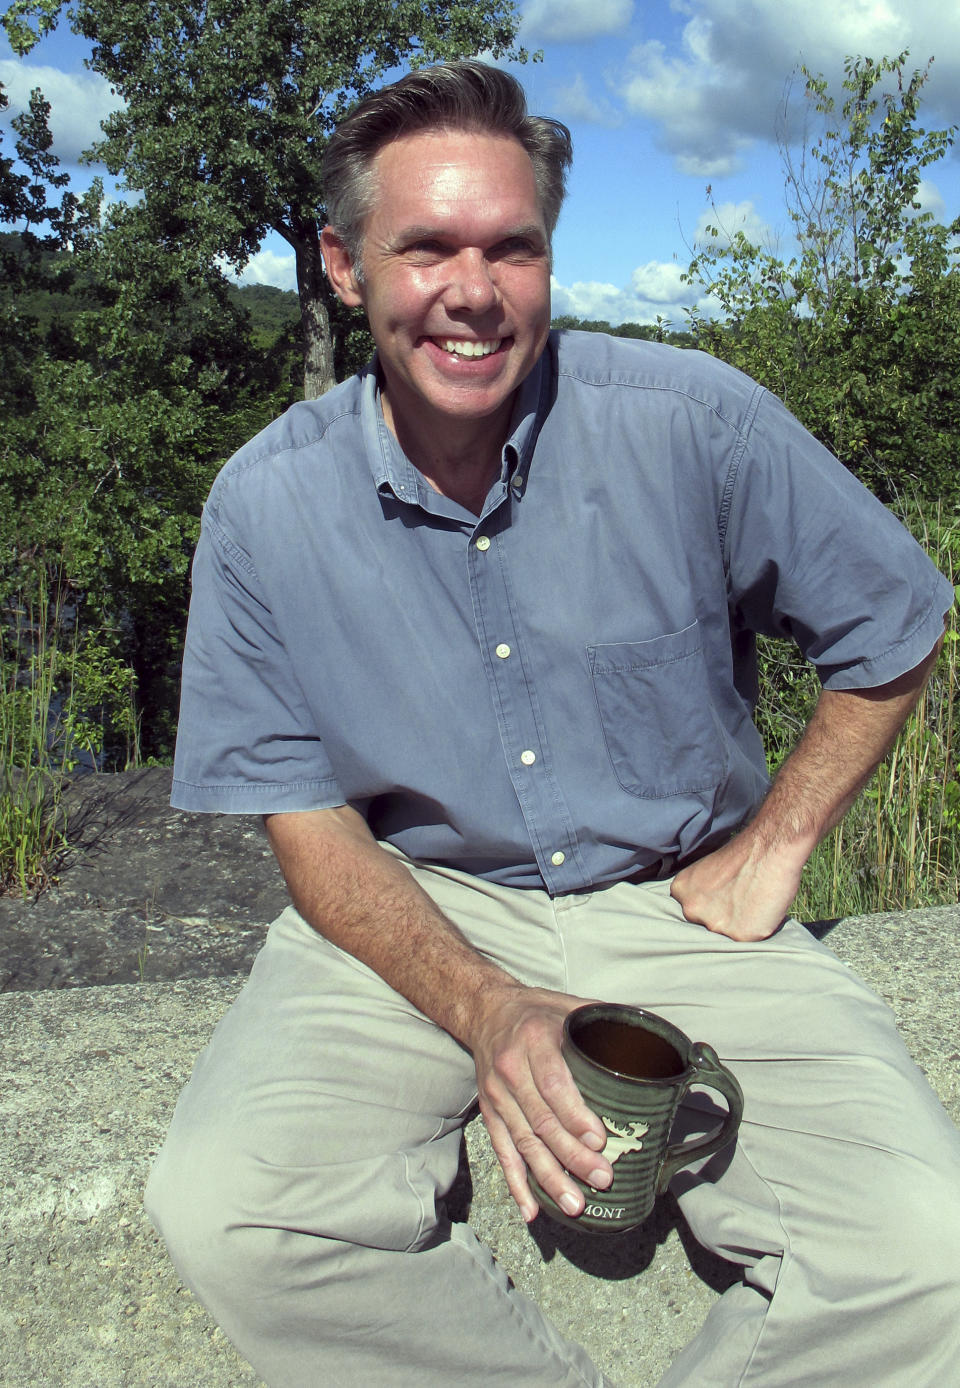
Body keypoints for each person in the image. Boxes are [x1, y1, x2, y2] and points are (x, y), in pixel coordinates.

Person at [146, 60, 960, 1387]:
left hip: (676, 906)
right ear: (345, 267)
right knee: (234, 1206)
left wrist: (777, 846)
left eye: (511, 247)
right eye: (427, 249)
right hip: (408, 909)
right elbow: (313, 833)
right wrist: (493, 1011)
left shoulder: (690, 423)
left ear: (547, 258)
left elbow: (895, 619)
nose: (475, 289)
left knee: (932, 1253)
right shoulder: (263, 509)